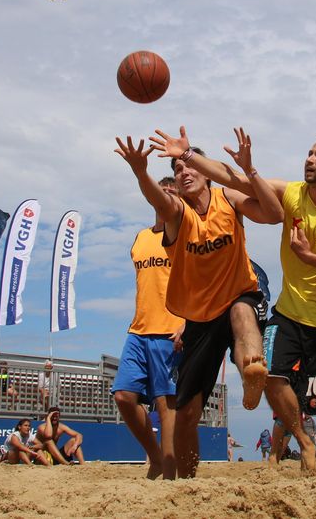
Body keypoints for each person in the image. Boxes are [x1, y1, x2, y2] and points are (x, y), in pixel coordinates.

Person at [152, 130, 316, 480]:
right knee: (269, 376)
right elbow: (233, 178)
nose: (309, 159)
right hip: (288, 310)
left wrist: (309, 256)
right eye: (309, 152)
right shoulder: (293, 192)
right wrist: (189, 155)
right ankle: (302, 439)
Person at [115, 129, 282, 479]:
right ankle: (188, 483)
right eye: (177, 169)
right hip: (199, 316)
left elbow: (274, 213)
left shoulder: (229, 198)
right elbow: (160, 202)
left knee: (241, 312)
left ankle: (251, 367)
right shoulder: (178, 213)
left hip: (238, 293)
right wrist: (140, 171)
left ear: (206, 172)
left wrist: (249, 172)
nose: (183, 172)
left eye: (188, 165)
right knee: (187, 414)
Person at [112, 176, 184, 480]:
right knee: (123, 397)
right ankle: (155, 456)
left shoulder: (183, 235)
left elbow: (196, 282)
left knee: (166, 404)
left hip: (171, 329)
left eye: (172, 192)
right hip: (138, 329)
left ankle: (169, 476)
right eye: (161, 190)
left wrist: (187, 323)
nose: (165, 195)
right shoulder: (140, 238)